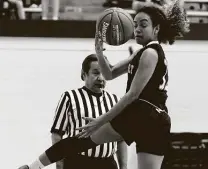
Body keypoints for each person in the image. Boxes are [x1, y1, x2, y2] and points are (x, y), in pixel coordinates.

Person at [18, 1, 190, 169]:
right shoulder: (142, 53)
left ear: (156, 29)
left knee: (81, 140)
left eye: (143, 25)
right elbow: (110, 73)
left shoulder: (150, 53)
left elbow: (132, 95)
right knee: (83, 140)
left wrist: (100, 121)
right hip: (156, 120)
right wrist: (99, 51)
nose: (137, 29)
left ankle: (33, 166)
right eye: (135, 24)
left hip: (145, 113)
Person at [50, 54, 127, 169]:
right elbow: (57, 134)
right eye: (96, 73)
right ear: (84, 74)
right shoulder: (69, 97)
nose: (100, 78)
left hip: (107, 164)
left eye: (104, 73)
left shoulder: (115, 101)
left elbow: (121, 138)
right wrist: (59, 165)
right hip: (77, 162)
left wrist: (123, 167)